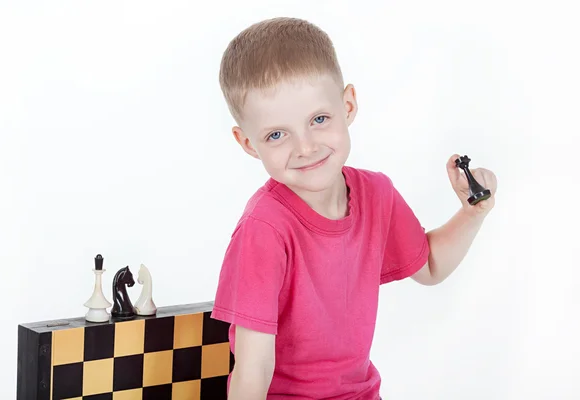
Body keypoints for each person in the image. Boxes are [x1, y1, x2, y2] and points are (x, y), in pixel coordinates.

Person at [210, 17, 497, 400]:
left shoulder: (376, 193)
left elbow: (429, 266)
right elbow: (253, 369)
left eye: (319, 119)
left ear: (347, 106)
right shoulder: (264, 228)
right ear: (247, 142)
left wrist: (472, 213)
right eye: (277, 134)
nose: (306, 147)